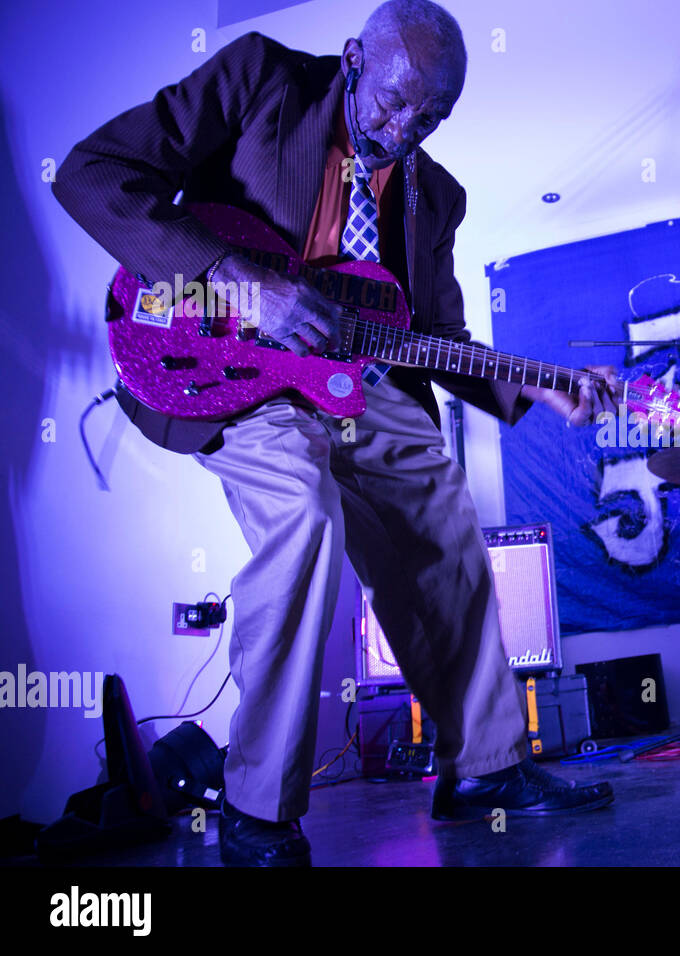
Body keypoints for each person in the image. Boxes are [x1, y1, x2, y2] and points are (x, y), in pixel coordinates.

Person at [53, 1, 619, 867]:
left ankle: (484, 767)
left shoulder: (438, 195)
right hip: (237, 368)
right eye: (392, 102)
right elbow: (92, 174)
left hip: (360, 376)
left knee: (443, 518)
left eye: (430, 117)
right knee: (305, 518)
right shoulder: (260, 80)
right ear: (354, 58)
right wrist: (237, 279)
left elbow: (438, 337)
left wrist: (543, 390)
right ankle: (255, 810)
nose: (403, 129)